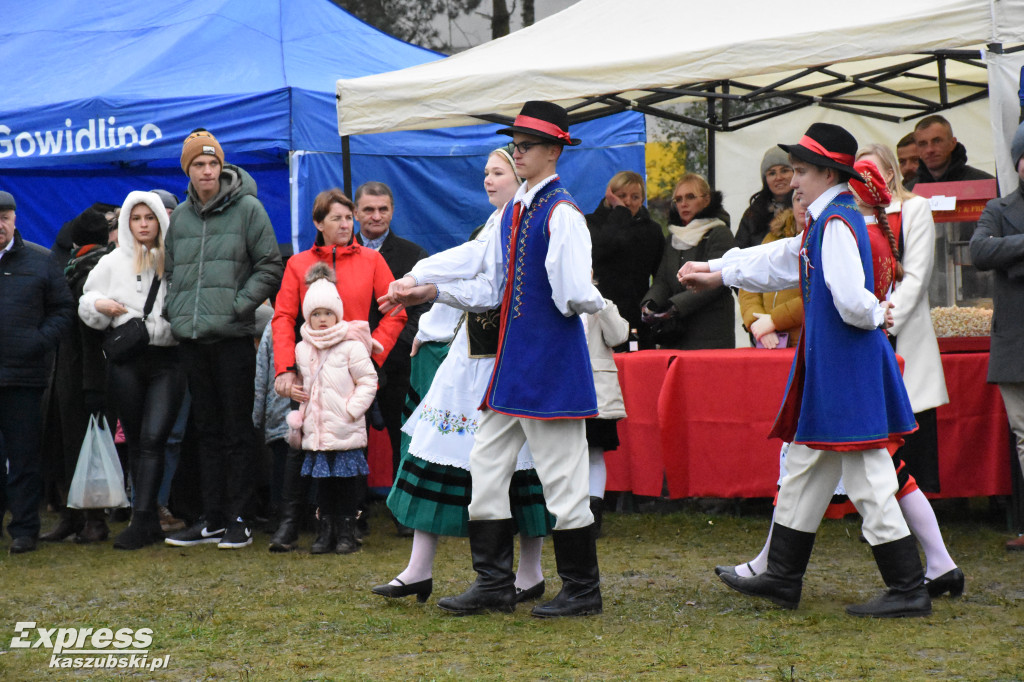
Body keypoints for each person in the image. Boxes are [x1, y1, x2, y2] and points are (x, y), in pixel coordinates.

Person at [679, 122, 930, 618]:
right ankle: (782, 576)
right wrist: (718, 271)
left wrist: (879, 312)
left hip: (845, 369)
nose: (792, 181)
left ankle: (907, 587)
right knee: (803, 468)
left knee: (869, 477)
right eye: (792, 171)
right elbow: (780, 258)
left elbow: (850, 299)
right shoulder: (828, 220)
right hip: (836, 368)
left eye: (800, 171)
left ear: (826, 173)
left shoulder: (835, 223)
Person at [379, 101, 605, 618]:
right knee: (485, 466)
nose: (519, 152)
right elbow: (488, 283)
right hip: (511, 370)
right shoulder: (515, 211)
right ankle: (494, 583)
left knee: (564, 479)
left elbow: (573, 291)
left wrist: (596, 302)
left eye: (526, 146)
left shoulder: (563, 213)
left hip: (548, 368)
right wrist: (428, 289)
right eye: (516, 144)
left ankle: (582, 589)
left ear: (553, 151)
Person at [373, 146, 552, 603]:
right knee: (432, 449)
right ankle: (418, 568)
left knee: (519, 466)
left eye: (497, 172)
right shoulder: (498, 222)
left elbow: (486, 287)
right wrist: (422, 296)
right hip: (472, 358)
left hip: (506, 359)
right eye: (486, 173)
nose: (488, 180)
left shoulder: (528, 220)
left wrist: (420, 281)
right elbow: (472, 264)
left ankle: (529, 573)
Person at [163, 129, 283, 549]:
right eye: (199, 164)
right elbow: (173, 272)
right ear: (189, 170)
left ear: (222, 167)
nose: (207, 170)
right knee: (205, 431)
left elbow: (270, 265)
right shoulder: (179, 217)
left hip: (232, 337)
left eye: (213, 163)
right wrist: (177, 312)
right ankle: (211, 518)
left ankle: (239, 517)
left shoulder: (248, 208)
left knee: (237, 431)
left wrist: (237, 306)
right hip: (193, 340)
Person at [268, 189, 404, 552]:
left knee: (350, 448)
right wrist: (286, 369)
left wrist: (370, 357)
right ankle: (290, 523)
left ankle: (350, 524)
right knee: (301, 445)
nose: (345, 224)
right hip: (310, 368)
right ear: (318, 224)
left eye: (348, 218)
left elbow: (395, 312)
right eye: (337, 219)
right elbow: (282, 317)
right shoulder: (298, 264)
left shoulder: (372, 261)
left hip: (354, 367)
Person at [79, 191, 187, 550]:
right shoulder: (112, 262)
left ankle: (143, 519)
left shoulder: (174, 259)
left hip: (168, 359)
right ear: (127, 223)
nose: (143, 224)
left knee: (155, 439)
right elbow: (86, 298)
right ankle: (147, 517)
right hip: (127, 360)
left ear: (160, 220)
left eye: (150, 217)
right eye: (136, 218)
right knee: (139, 441)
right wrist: (101, 304)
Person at [1, 190, 75, 555]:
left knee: (25, 458)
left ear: (15, 219)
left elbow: (63, 309)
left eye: (4, 217)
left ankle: (25, 529)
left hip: (24, 378)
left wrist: (38, 341)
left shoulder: (40, 260)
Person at [353, 182, 429, 533]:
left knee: (403, 437)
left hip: (398, 363)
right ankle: (353, 512)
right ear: (356, 213)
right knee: (354, 438)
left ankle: (403, 512)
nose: (376, 216)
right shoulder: (343, 251)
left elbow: (423, 313)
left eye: (383, 209)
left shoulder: (413, 255)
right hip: (349, 367)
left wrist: (391, 350)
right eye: (369, 210)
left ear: (392, 211)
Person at [40, 204, 118, 544]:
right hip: (71, 371)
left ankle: (93, 519)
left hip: (87, 373)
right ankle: (73, 516)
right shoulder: (78, 268)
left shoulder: (91, 271)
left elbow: (91, 333)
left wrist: (91, 383)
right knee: (69, 445)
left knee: (87, 446)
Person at [289, 263, 378, 554]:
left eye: (328, 313)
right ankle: (325, 531)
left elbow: (368, 380)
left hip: (344, 426)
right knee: (323, 484)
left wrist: (352, 410)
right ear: (308, 316)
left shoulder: (351, 345)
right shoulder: (303, 348)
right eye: (316, 314)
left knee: (346, 484)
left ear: (337, 313)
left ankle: (347, 532)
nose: (323, 319)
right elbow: (305, 384)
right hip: (317, 430)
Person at [970, 119, 1024, 552]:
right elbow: (980, 251)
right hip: (1015, 342)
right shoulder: (998, 209)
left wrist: (1015, 257)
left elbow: (999, 254)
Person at [641, 173, 736, 349]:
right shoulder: (673, 238)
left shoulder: (719, 233)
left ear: (707, 199)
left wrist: (674, 306)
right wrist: (650, 303)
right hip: (675, 334)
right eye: (678, 199)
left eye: (690, 197)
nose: (683, 203)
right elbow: (662, 280)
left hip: (710, 333)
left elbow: (718, 281)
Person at [585, 171, 664, 350]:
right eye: (621, 196)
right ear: (610, 196)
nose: (628, 202)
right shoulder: (592, 224)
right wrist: (620, 212)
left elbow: (660, 274)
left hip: (639, 315)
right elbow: (600, 250)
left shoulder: (652, 230)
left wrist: (652, 304)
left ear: (643, 199)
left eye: (635, 197)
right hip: (603, 313)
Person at [583, 296, 629, 532]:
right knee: (556, 452)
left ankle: (593, 518)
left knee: (594, 452)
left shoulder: (601, 304)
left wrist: (601, 305)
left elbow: (619, 336)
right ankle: (560, 514)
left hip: (595, 392)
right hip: (558, 388)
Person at [737, 196, 807, 349]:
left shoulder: (826, 238)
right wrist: (757, 322)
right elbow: (749, 284)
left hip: (805, 343)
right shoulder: (773, 237)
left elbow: (817, 295)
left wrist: (774, 321)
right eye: (797, 199)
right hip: (767, 341)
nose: (803, 205)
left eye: (809, 199)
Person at [908, 115, 993, 188]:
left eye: (937, 141)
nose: (930, 150)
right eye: (923, 144)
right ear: (917, 149)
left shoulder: (986, 184)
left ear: (952, 143)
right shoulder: (908, 192)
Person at [735, 148, 794, 249]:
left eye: (784, 171)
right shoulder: (753, 214)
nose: (779, 177)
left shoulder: (804, 208)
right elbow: (739, 251)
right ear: (765, 179)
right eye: (772, 173)